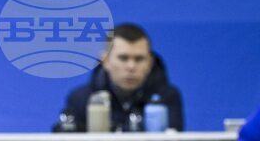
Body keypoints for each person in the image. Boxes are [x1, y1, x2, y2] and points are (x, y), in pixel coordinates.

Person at [54, 23, 183, 132]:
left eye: (139, 59)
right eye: (123, 58)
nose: (131, 66)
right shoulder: (82, 99)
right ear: (105, 60)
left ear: (149, 63)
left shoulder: (167, 98)